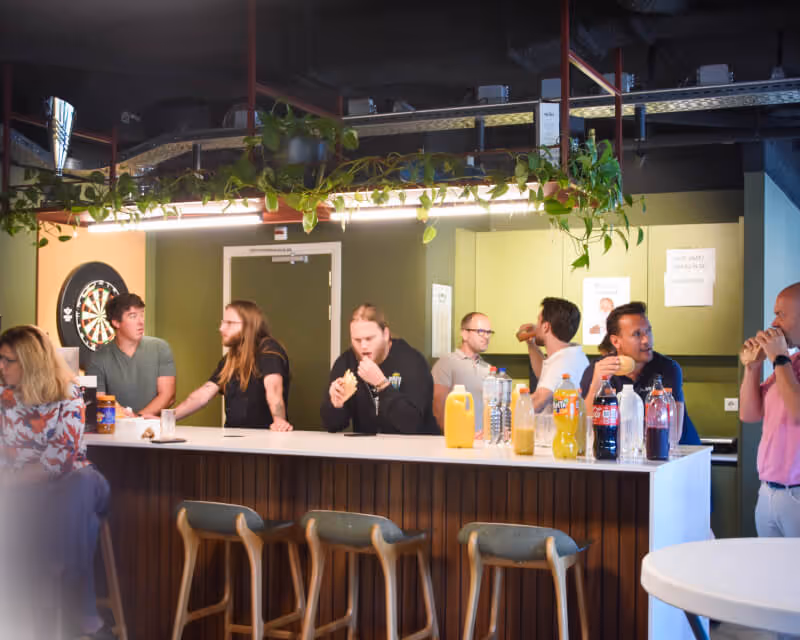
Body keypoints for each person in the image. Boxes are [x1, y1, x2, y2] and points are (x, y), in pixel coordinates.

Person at [0, 325, 112, 639]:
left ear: (30, 363)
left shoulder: (69, 395)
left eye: (8, 360)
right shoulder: (4, 399)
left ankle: (51, 612)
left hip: (76, 480)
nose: (1, 367)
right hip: (31, 493)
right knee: (79, 522)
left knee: (74, 487)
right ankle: (85, 620)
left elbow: (59, 460)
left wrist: (12, 480)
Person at [579, 301, 701, 444]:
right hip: (626, 455)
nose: (646, 340)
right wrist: (595, 385)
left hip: (678, 455)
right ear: (616, 341)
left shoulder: (668, 368)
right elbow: (586, 429)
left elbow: (673, 433)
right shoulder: (599, 369)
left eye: (648, 331)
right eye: (637, 334)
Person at [171, 301, 292, 430]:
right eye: (223, 322)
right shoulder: (229, 360)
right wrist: (167, 418)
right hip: (232, 438)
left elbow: (274, 389)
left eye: (229, 323)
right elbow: (202, 395)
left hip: (263, 439)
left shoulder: (269, 350)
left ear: (248, 326)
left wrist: (279, 421)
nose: (221, 328)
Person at [739, 282, 800, 538]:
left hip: (797, 495)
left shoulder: (785, 363)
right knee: (770, 574)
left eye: (781, 314)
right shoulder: (789, 363)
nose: (774, 323)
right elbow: (749, 414)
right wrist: (752, 368)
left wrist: (779, 359)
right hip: (768, 492)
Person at [321, 303, 438, 435]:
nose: (363, 346)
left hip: (414, 450)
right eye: (357, 340)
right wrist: (336, 404)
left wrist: (382, 384)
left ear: (385, 334)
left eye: (369, 339)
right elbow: (331, 425)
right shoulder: (347, 363)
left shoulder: (412, 362)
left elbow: (412, 423)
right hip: (368, 450)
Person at [86, 292, 176, 416]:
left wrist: (136, 419)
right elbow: (98, 401)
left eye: (142, 315)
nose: (141, 322)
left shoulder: (160, 348)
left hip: (153, 429)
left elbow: (168, 395)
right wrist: (124, 418)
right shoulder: (98, 358)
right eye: (133, 316)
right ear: (116, 322)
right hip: (115, 428)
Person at [516, 297, 589, 412]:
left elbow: (538, 401)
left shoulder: (562, 363)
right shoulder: (571, 355)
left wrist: (505, 415)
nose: (536, 326)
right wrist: (531, 343)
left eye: (538, 321)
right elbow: (544, 375)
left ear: (545, 327)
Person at [431, 312, 493, 432]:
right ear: (464, 334)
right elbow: (438, 408)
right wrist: (454, 437)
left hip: (483, 444)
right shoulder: (446, 363)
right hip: (457, 444)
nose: (486, 336)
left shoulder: (489, 369)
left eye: (489, 332)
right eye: (481, 331)